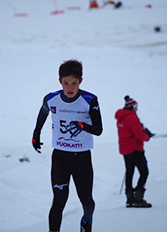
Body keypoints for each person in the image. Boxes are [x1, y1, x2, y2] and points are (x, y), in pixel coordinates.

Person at [32, 59, 103, 232]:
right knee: (59, 201)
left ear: (81, 81)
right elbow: (42, 115)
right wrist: (36, 135)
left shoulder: (90, 100)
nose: (70, 87)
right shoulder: (51, 98)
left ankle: (86, 222)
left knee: (87, 202)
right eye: (65, 83)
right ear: (60, 81)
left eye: (74, 83)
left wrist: (82, 126)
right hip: (60, 157)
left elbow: (99, 129)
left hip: (82, 158)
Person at [115, 96, 153, 208]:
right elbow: (139, 135)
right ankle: (138, 198)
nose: (137, 109)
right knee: (144, 172)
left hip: (125, 149)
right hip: (134, 149)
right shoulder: (132, 118)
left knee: (129, 173)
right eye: (136, 107)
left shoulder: (121, 117)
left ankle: (130, 199)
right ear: (131, 107)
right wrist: (147, 137)